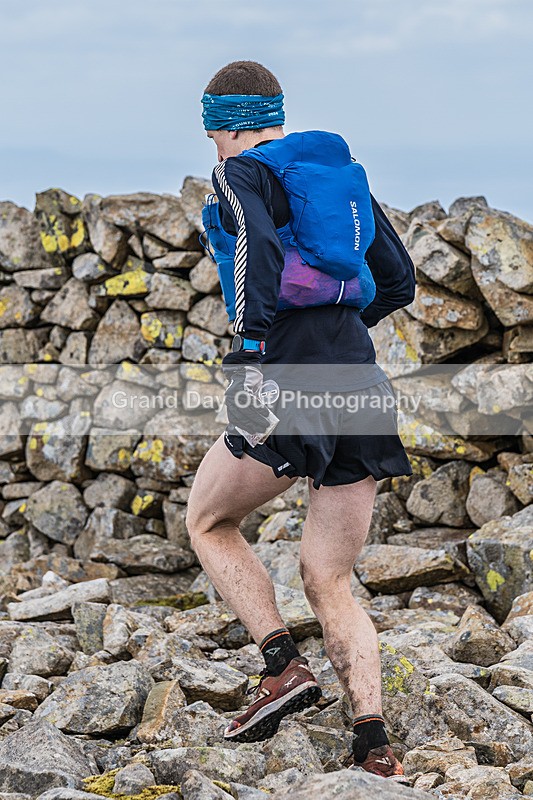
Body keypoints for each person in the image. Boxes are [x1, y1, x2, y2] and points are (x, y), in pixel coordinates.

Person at [186, 60, 415, 783]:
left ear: (217, 125)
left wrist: (252, 353)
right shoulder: (335, 169)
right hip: (358, 377)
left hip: (287, 374)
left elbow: (255, 243)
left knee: (207, 520)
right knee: (330, 578)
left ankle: (282, 668)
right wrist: (338, 330)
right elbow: (398, 278)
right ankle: (373, 750)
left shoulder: (239, 172)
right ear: (275, 113)